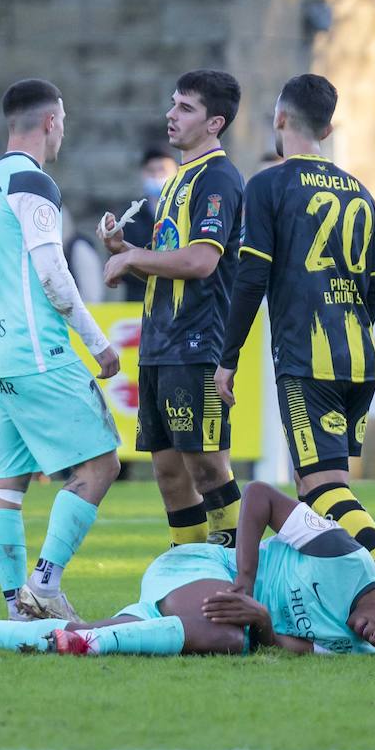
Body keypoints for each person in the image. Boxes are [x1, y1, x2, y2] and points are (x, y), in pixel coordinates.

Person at [215, 74, 375, 597]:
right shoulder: (361, 193)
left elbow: (251, 276)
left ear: (280, 119)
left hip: (308, 361)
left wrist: (227, 357)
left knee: (326, 489)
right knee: (313, 486)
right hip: (356, 359)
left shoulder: (269, 185)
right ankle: (320, 595)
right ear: (328, 127)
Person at [0, 481, 375, 657]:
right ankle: (97, 641)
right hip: (196, 569)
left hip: (199, 611)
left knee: (232, 633)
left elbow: (293, 650)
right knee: (228, 632)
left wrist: (262, 621)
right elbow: (259, 496)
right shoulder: (344, 557)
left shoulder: (355, 649)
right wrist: (244, 584)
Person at [0, 79, 124, 622]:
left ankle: (16, 606)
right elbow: (53, 274)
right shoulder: (35, 182)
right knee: (101, 463)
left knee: (5, 487)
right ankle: (45, 585)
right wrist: (98, 343)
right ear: (51, 122)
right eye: (64, 121)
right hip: (36, 352)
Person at [100, 71, 245, 550]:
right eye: (173, 103)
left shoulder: (219, 178)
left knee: (206, 465)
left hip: (197, 344)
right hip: (159, 345)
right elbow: (171, 266)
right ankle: (191, 566)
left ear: (214, 123)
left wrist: (133, 256)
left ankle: (238, 576)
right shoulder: (179, 178)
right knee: (166, 471)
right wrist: (128, 250)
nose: (171, 114)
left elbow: (202, 262)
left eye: (185, 108)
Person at [118, 147, 177, 303]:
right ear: (142, 174)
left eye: (162, 170)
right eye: (151, 171)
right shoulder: (129, 216)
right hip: (139, 301)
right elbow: (121, 262)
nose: (157, 176)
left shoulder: (183, 212)